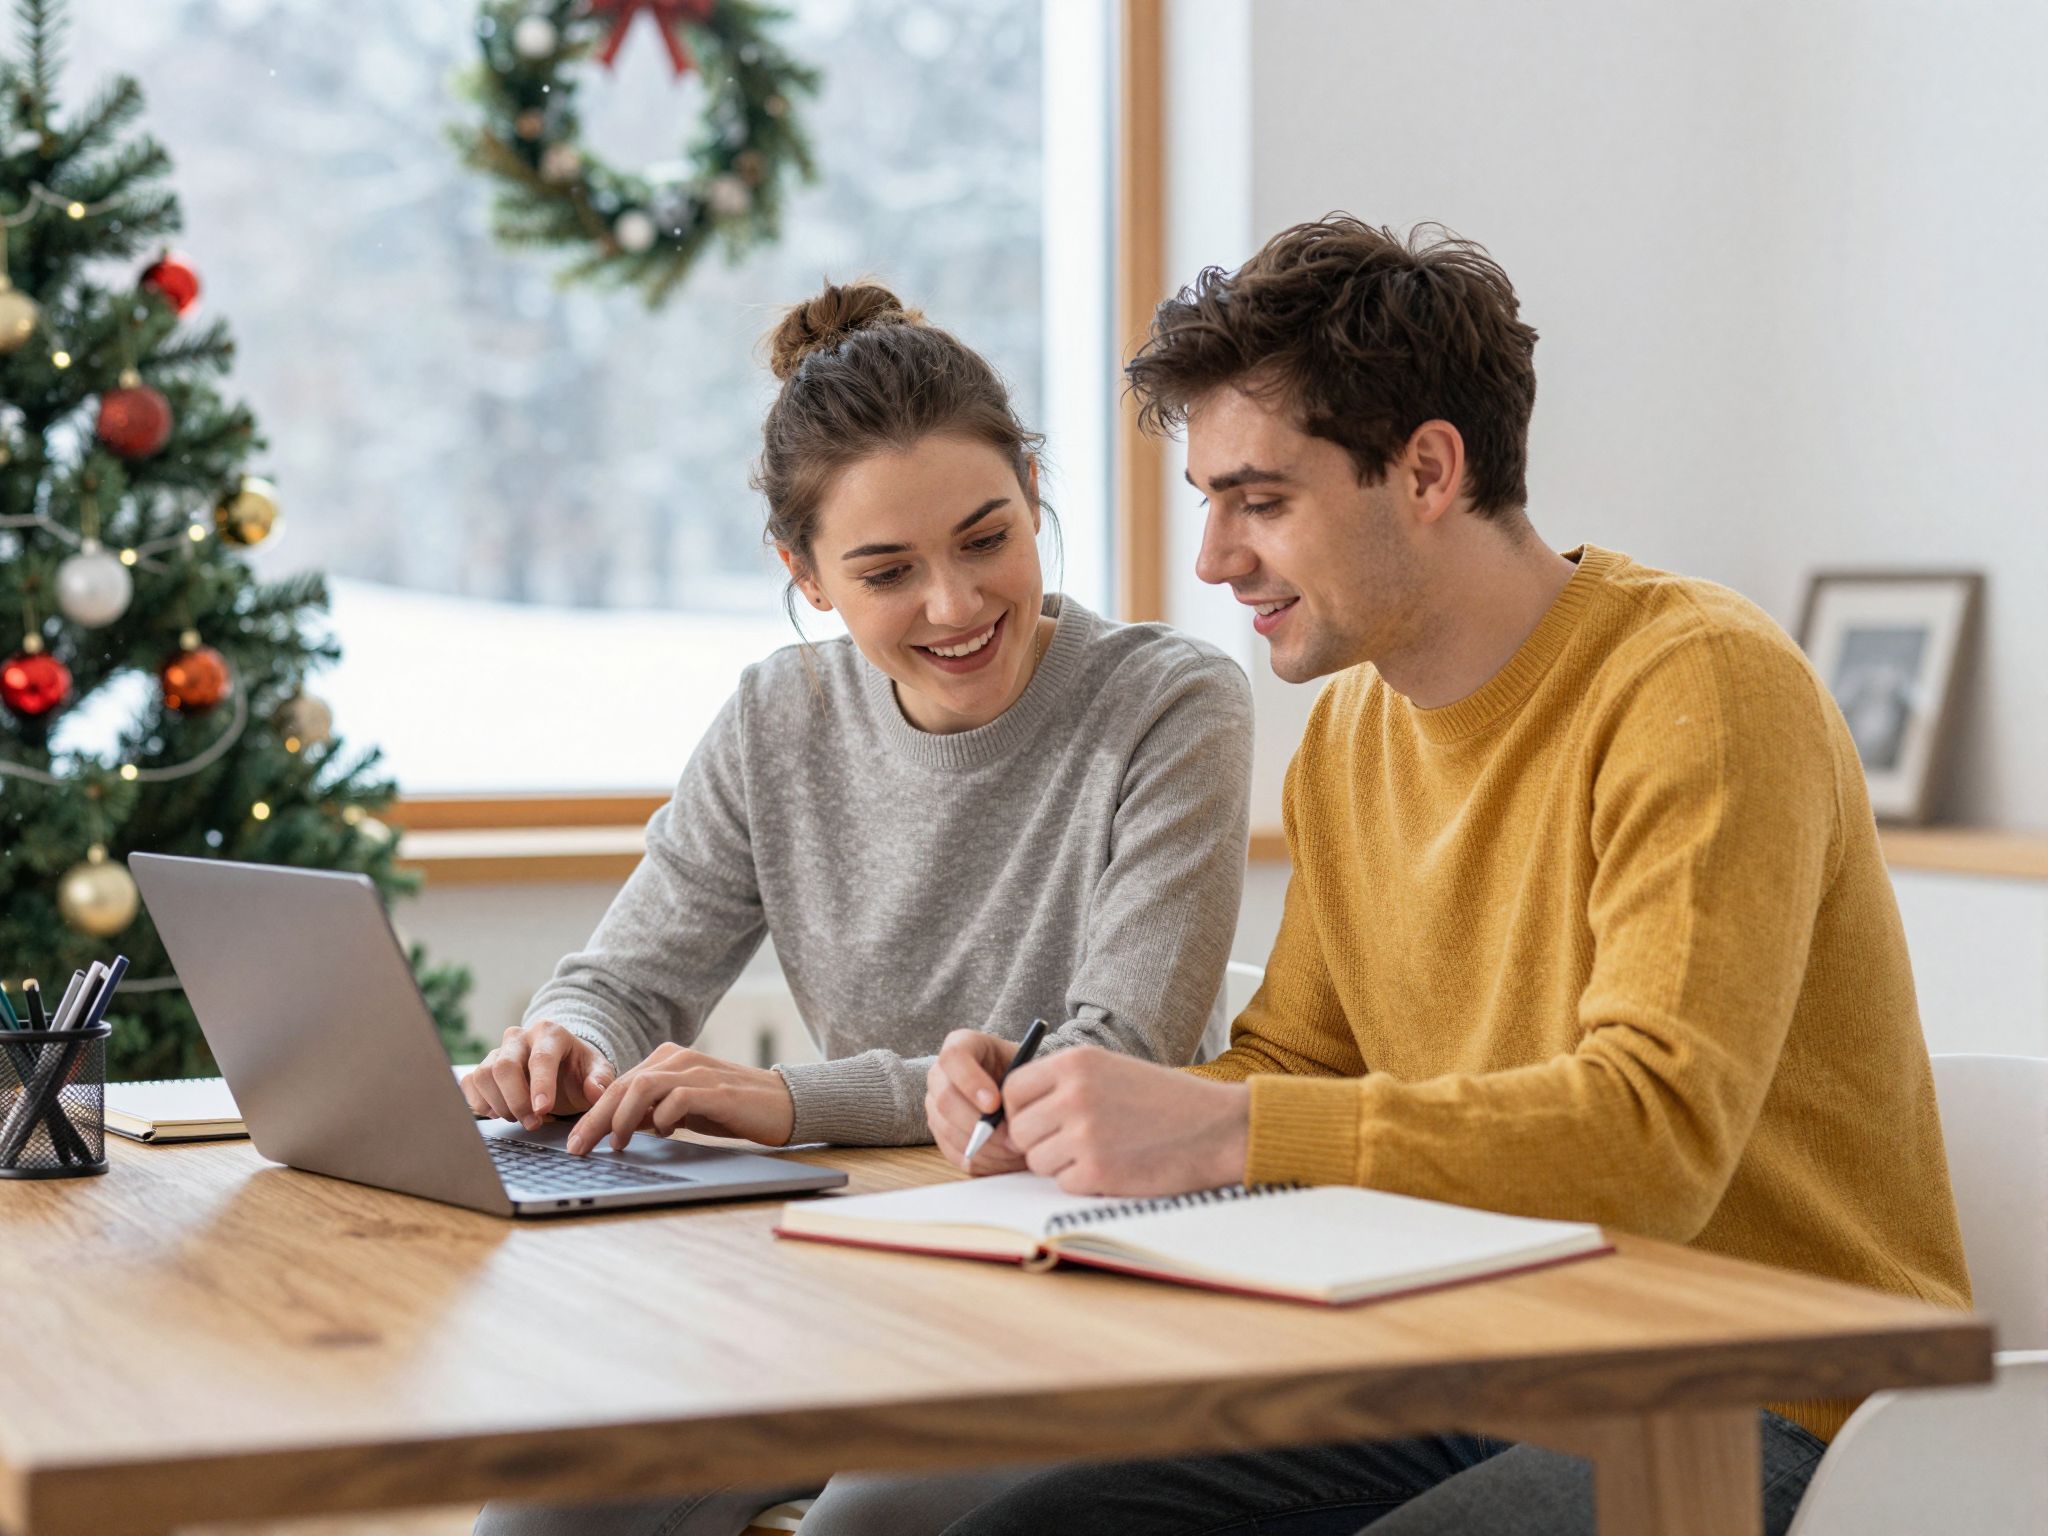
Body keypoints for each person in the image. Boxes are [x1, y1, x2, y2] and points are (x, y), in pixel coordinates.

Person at [926, 218, 1972, 1536]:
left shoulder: (1700, 685)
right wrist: (1077, 1111)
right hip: (1484, 1352)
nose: (1214, 559)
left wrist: (1221, 1132)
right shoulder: (1349, 736)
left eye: (1260, 501)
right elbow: (1301, 1064)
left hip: (1761, 1392)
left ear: (1427, 469)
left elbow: (1653, 1140)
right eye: (1208, 502)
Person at [468, 280, 1252, 1536]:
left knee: (868, 1527)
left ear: (1033, 497)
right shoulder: (778, 718)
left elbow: (1115, 1057)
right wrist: (565, 1041)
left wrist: (791, 1104)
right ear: (806, 575)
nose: (954, 605)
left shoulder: (1168, 704)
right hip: (865, 1265)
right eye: (887, 571)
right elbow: (625, 979)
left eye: (986, 539)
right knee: (546, 1519)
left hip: (1093, 1268)